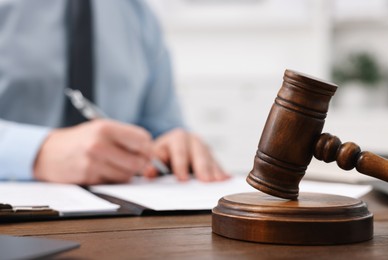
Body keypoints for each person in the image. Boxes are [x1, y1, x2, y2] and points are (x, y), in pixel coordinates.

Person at [0, 0, 229, 184]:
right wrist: (38, 153)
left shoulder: (140, 14)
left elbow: (161, 127)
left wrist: (174, 146)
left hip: (118, 220)